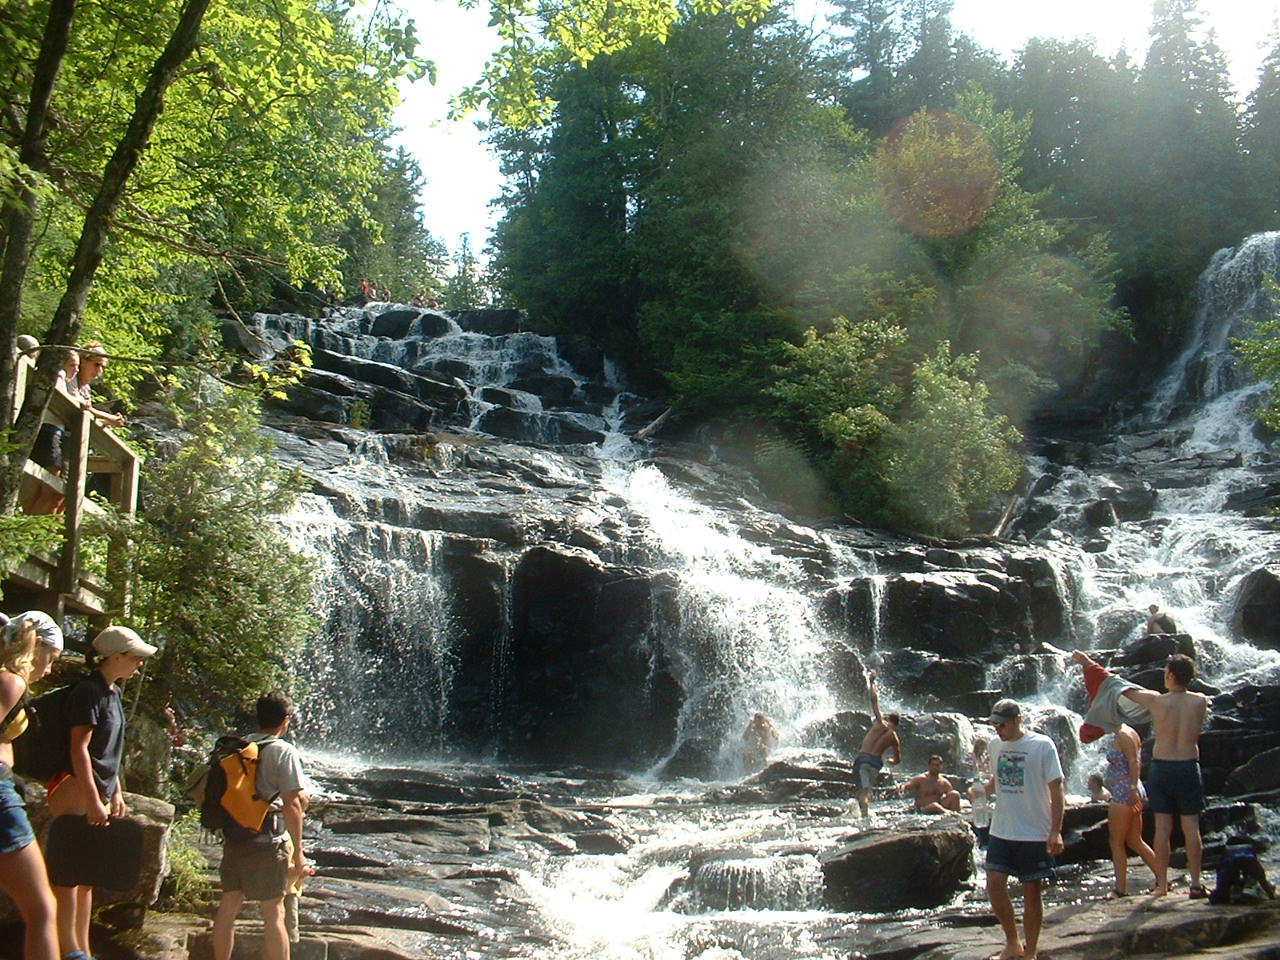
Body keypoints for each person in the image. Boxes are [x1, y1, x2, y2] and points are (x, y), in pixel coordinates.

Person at [47, 624, 156, 960]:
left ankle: (83, 950)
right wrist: (94, 798)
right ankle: (69, 951)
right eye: (135, 657)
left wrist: (116, 792)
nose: (139, 664)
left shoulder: (114, 693)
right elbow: (79, 749)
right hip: (75, 787)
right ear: (115, 656)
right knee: (68, 879)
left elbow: (110, 752)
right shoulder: (88, 692)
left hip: (100, 791)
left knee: (87, 878)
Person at [211, 691, 310, 960]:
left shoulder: (238, 747)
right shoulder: (283, 751)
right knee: (273, 913)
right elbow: (292, 804)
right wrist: (299, 852)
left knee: (228, 907)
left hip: (235, 837)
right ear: (285, 720)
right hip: (268, 842)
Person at [0, 613, 63, 960]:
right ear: (35, 645)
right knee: (42, 909)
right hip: (1, 800)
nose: (49, 669)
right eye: (50, 658)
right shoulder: (11, 683)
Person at [1121, 653, 1209, 897]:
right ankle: (1195, 884)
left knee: (1162, 828)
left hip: (1162, 767)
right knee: (1191, 827)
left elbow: (1125, 690)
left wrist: (1092, 668)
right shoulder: (1200, 701)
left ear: (1170, 675)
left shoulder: (1156, 700)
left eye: (1165, 673)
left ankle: (1161, 885)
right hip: (1188, 766)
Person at [983, 699, 1064, 960]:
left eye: (1002, 724)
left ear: (1017, 720)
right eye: (995, 725)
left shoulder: (1042, 745)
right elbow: (996, 781)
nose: (998, 729)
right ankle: (1012, 942)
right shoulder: (995, 745)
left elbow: (1057, 789)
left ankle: (1032, 952)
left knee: (1031, 891)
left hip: (1034, 831)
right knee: (994, 884)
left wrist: (1056, 831)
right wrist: (980, 791)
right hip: (1001, 828)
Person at [1102, 723, 1160, 898]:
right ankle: (1163, 879)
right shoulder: (1128, 732)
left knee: (1116, 842)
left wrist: (1133, 789)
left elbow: (1134, 762)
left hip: (1124, 790)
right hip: (1130, 788)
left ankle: (1120, 889)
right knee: (1135, 840)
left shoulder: (1124, 735)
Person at [852, 669, 901, 819]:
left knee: (862, 794)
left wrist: (872, 682)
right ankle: (859, 813)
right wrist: (892, 761)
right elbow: (897, 759)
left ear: (888, 719)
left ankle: (865, 819)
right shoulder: (894, 738)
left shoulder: (880, 723)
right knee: (864, 792)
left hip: (863, 759)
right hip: (876, 764)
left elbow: (874, 701)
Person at [68, 343, 124, 428]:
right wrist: (110, 417)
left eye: (103, 367)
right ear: (83, 361)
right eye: (97, 365)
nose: (99, 370)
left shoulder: (86, 389)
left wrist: (108, 422)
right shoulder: (71, 378)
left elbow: (88, 416)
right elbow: (82, 407)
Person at [968, 739, 992, 848]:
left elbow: (985, 770)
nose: (983, 750)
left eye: (984, 748)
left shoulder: (982, 756)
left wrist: (986, 762)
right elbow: (974, 769)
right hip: (973, 779)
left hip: (981, 779)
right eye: (982, 748)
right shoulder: (972, 755)